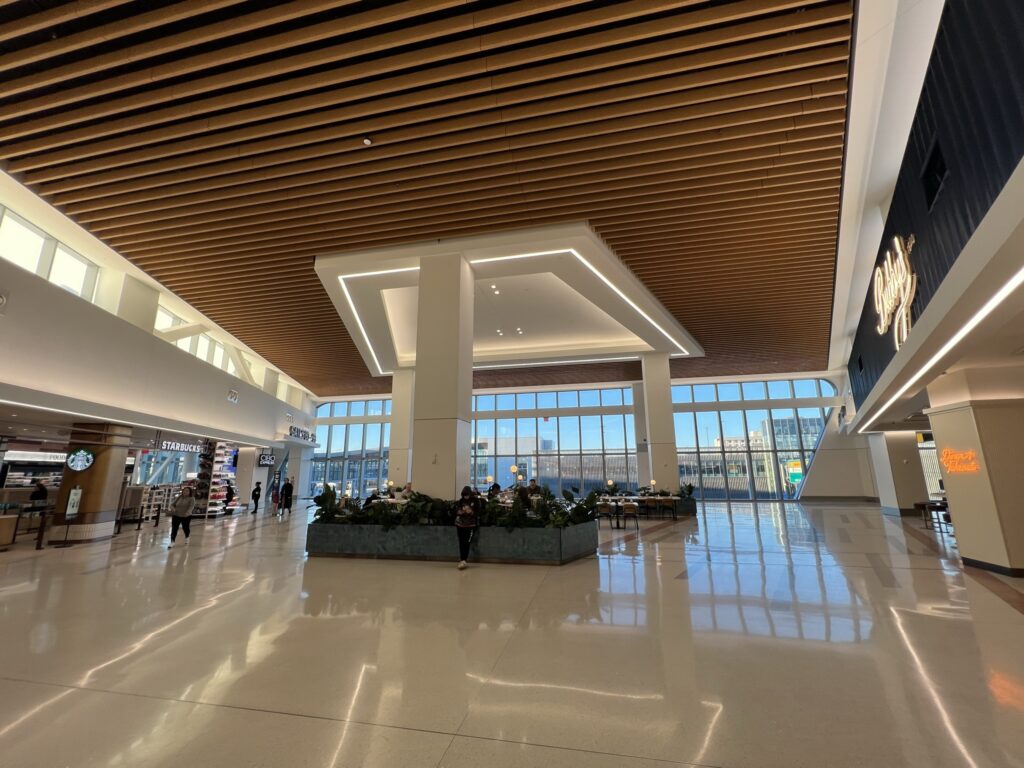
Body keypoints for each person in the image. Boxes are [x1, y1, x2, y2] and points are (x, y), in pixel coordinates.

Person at [454, 485, 480, 570]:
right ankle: (462, 559)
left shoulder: (475, 501)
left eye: (467, 494)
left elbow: (478, 512)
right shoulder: (461, 501)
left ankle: (464, 559)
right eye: (464, 495)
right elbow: (457, 511)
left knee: (467, 542)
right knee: (461, 542)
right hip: (460, 524)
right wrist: (460, 512)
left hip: (470, 525)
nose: (466, 496)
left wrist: (471, 512)